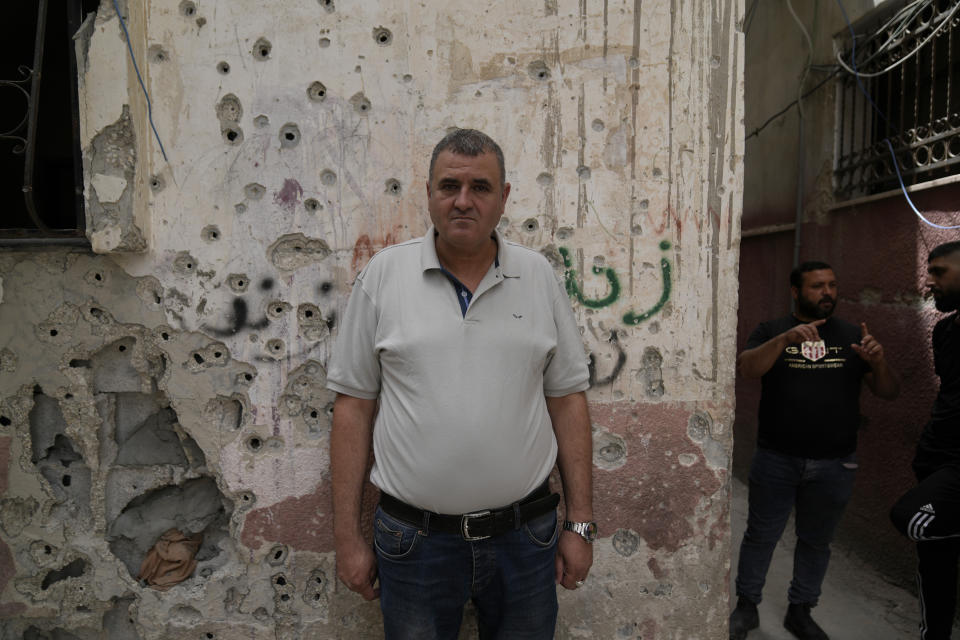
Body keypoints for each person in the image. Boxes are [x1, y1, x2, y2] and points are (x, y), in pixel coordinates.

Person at [326, 128, 596, 639]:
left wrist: (579, 524)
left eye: (481, 187)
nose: (463, 201)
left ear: (505, 197)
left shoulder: (538, 277)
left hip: (527, 538)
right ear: (428, 193)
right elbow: (353, 407)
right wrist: (348, 537)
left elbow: (567, 401)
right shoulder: (384, 276)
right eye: (449, 186)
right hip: (414, 543)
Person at [729, 261, 900, 640]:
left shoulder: (854, 335)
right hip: (777, 457)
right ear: (795, 292)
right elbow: (747, 369)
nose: (828, 293)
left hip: (835, 462)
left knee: (816, 541)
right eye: (818, 286)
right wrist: (785, 341)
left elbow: (888, 391)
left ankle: (801, 610)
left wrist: (878, 361)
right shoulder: (771, 330)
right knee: (761, 534)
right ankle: (746, 606)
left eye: (833, 285)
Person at [890, 241, 960, 640]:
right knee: (935, 564)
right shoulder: (944, 332)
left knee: (909, 517)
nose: (927, 282)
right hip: (934, 460)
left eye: (939, 272)